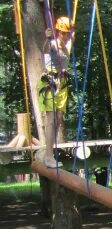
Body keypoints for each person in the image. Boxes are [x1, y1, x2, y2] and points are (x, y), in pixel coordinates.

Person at [38, 16, 73, 168]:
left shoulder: (68, 44)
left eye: (68, 34)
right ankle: (49, 156)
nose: (66, 37)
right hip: (50, 84)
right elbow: (45, 50)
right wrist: (47, 38)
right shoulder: (52, 44)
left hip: (62, 85)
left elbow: (71, 38)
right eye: (64, 34)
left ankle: (49, 150)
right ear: (58, 32)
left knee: (58, 119)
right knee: (51, 119)